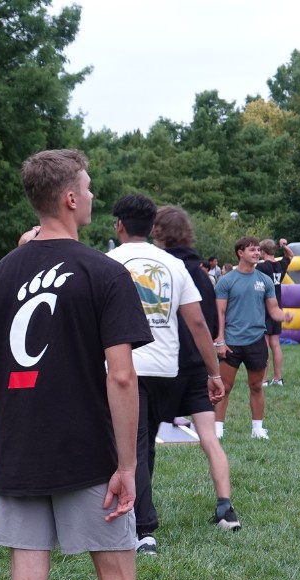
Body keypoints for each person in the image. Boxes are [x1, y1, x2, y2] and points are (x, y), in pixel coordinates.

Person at [0, 148, 175, 580]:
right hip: (87, 450)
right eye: (86, 187)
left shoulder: (0, 275)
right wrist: (126, 464)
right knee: (116, 577)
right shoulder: (103, 272)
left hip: (21, 450)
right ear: (68, 198)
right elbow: (121, 377)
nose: (91, 196)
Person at [107, 195, 224, 557]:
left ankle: (142, 528)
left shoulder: (107, 262)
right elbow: (199, 323)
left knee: (133, 446)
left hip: (127, 366)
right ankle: (138, 510)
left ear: (120, 226)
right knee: (143, 444)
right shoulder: (175, 266)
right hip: (165, 369)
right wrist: (214, 372)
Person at [153, 205, 242, 532]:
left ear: (157, 233)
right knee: (209, 438)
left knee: (142, 439)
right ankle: (225, 509)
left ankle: (139, 515)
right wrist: (212, 371)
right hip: (195, 366)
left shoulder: (160, 269)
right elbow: (205, 325)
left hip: (159, 366)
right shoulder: (203, 276)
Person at [213, 238, 292, 440]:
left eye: (258, 250)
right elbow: (219, 313)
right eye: (252, 250)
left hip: (256, 340)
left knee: (256, 386)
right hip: (231, 342)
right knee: (225, 387)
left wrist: (283, 316)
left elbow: (273, 309)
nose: (257, 253)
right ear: (240, 253)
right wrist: (220, 340)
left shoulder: (264, 280)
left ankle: (257, 429)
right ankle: (218, 430)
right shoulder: (226, 280)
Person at [256, 238, 293, 387]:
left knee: (264, 345)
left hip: (264, 308)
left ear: (262, 251)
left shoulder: (260, 268)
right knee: (275, 344)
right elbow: (290, 255)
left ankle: (264, 379)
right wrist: (284, 245)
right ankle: (278, 378)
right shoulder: (281, 265)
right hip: (278, 307)